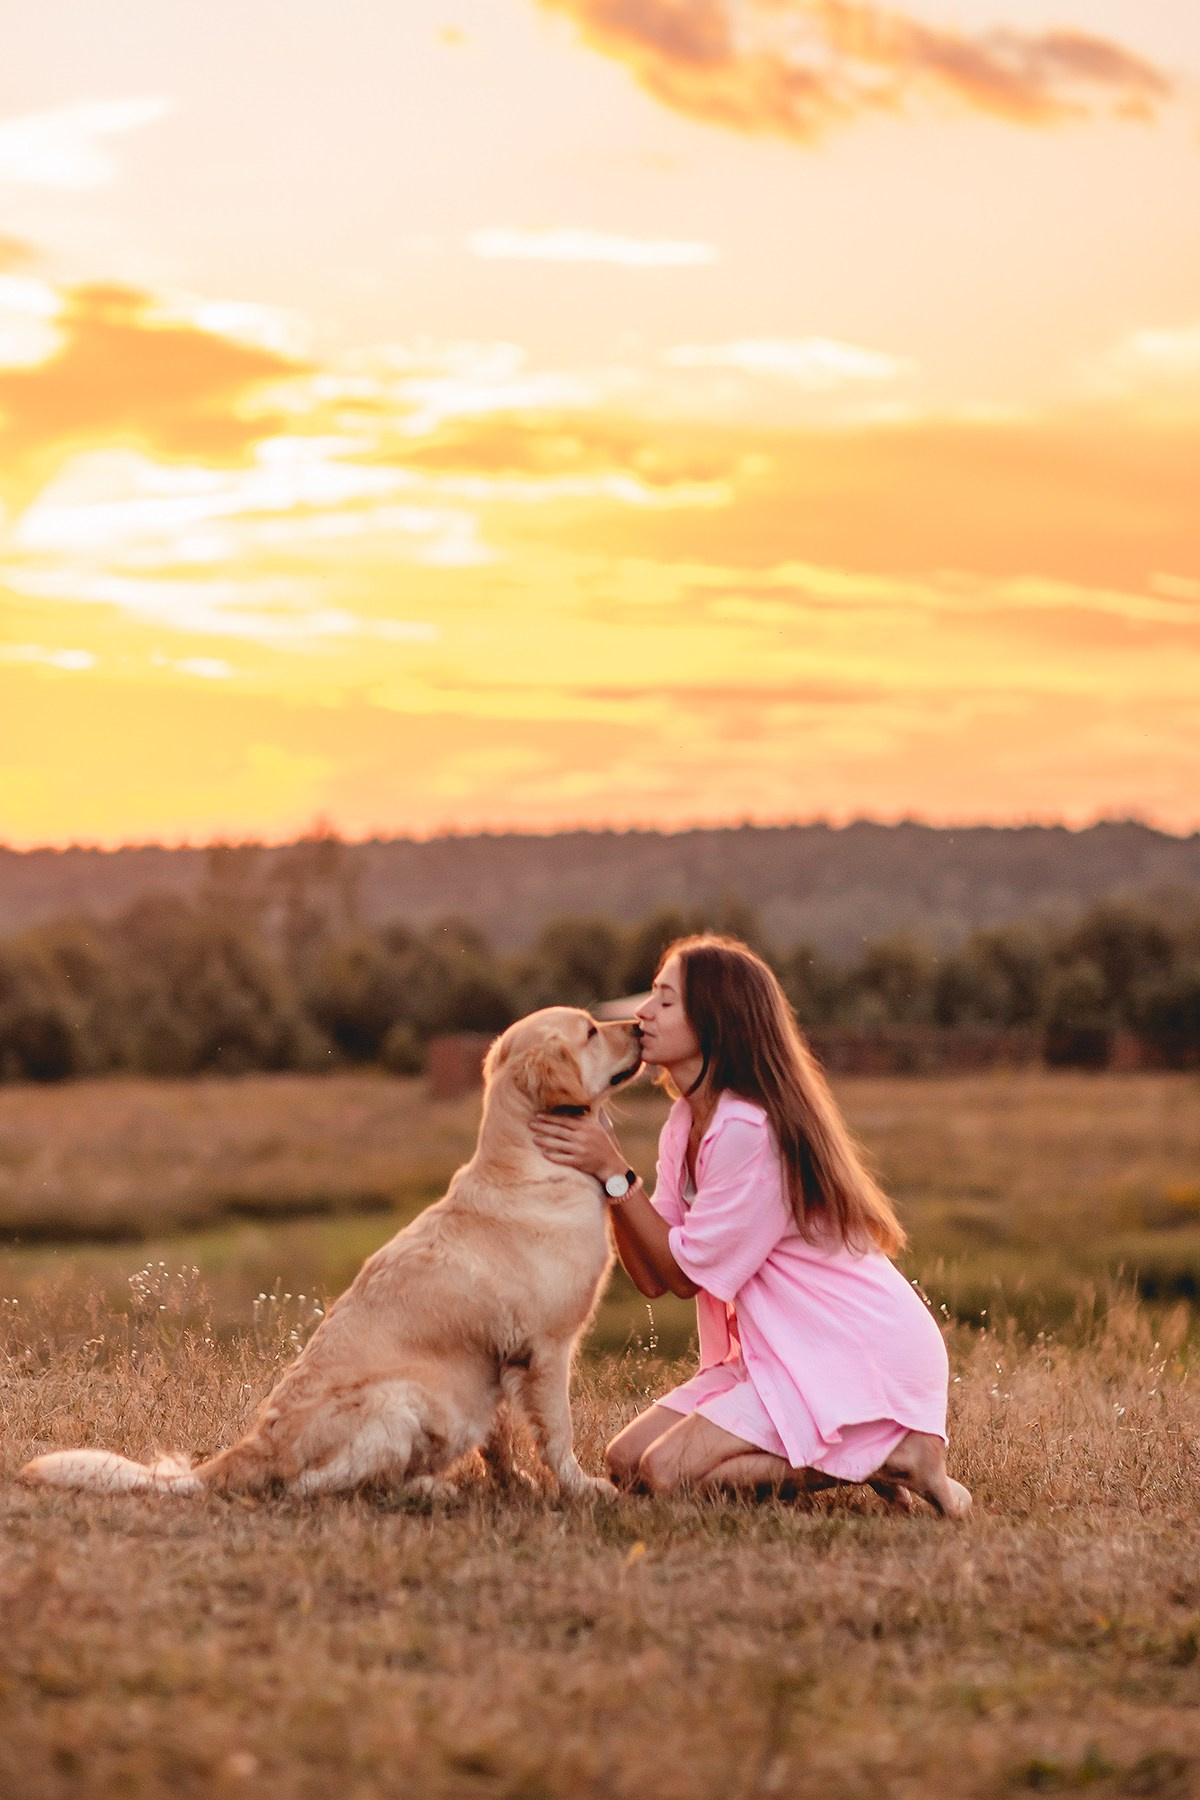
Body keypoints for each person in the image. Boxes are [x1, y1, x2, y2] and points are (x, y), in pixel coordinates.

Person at [528, 935, 971, 1518]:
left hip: (850, 1350)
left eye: (666, 1001)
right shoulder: (685, 1122)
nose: (645, 1014)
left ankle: (895, 1452)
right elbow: (655, 1278)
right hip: (782, 1351)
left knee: (665, 1476)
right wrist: (607, 1179)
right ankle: (866, 1451)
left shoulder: (747, 1130)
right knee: (625, 1460)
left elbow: (683, 1277)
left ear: (715, 1022)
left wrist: (613, 1167)